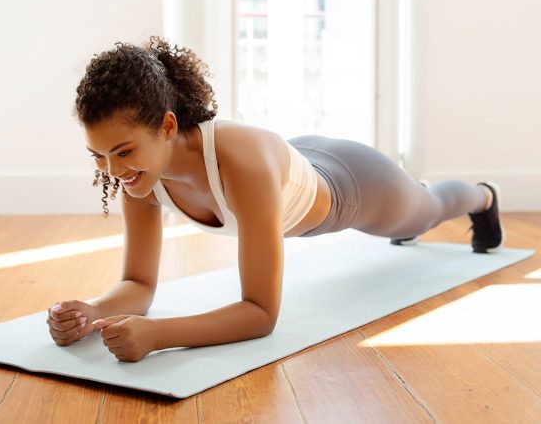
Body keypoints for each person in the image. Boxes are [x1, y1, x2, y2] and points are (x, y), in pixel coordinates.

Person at [46, 36, 504, 362]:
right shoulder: (139, 177)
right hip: (299, 159)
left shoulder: (239, 164)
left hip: (357, 186)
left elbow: (261, 312)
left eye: (122, 152)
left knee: (426, 211)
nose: (112, 170)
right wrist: (94, 311)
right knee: (417, 214)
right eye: (99, 156)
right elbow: (139, 287)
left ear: (167, 127)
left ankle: (483, 196)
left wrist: (158, 335)